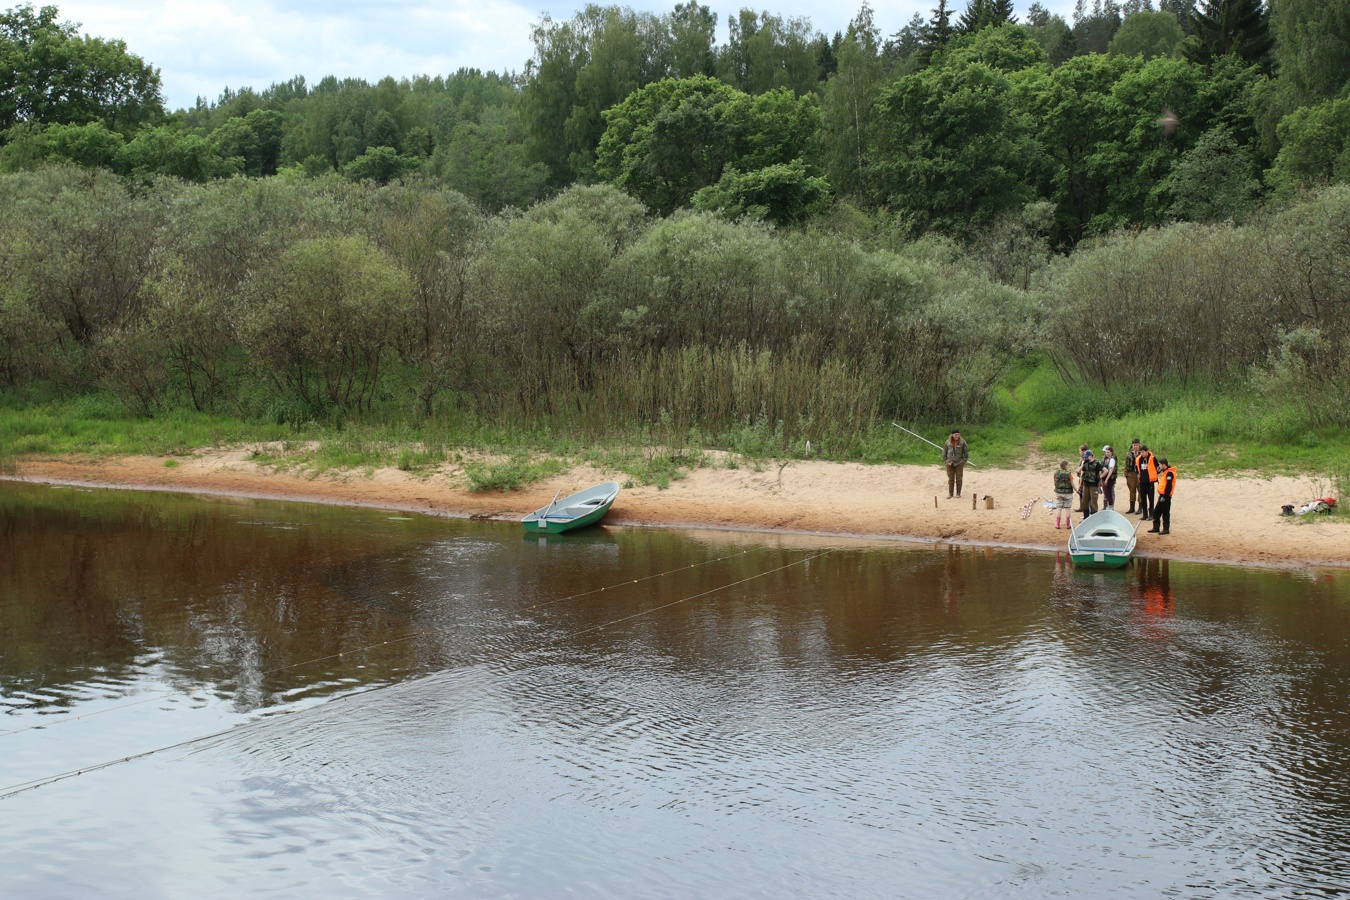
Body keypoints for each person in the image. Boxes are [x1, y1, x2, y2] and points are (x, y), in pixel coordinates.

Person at [1149, 457, 1177, 534]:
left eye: (1160, 465)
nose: (1159, 466)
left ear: (1164, 465)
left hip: (1166, 496)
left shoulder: (1169, 473)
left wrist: (1164, 496)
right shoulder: (1165, 472)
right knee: (1156, 512)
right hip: (1162, 495)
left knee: (1165, 512)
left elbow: (1169, 486)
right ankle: (1156, 527)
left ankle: (1166, 529)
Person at [942, 429, 969, 498]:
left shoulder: (962, 442)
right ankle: (950, 494)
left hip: (959, 463)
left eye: (958, 434)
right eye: (955, 434)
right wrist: (945, 460)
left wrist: (963, 461)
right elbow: (944, 451)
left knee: (959, 479)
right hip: (950, 463)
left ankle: (958, 493)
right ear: (952, 435)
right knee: (950, 479)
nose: (957, 436)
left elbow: (966, 452)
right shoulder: (947, 442)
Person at [1076, 449, 1103, 516]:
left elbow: (1105, 470)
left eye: (1087, 457)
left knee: (1093, 501)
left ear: (1091, 456)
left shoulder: (1096, 463)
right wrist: (1083, 464)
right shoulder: (1085, 463)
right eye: (1085, 457)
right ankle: (1086, 517)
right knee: (1085, 501)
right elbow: (1079, 471)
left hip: (1094, 485)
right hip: (1086, 484)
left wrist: (1100, 478)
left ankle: (1094, 517)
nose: (1086, 458)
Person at [1136, 444, 1157, 521]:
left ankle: (1151, 514)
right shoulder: (1138, 459)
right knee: (1143, 499)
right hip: (1142, 482)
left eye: (1143, 452)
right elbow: (1136, 469)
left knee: (1151, 499)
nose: (1142, 454)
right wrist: (1138, 476)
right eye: (1141, 452)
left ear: (1147, 452)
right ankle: (1145, 514)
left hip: (1150, 482)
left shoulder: (1152, 458)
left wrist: (1154, 474)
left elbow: (1158, 467)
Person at [1053, 460, 1075, 530]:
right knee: (1067, 508)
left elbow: (1055, 482)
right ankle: (1068, 525)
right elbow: (1072, 483)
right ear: (1065, 466)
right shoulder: (1069, 474)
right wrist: (1077, 490)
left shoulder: (1056, 473)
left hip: (1058, 492)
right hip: (1068, 493)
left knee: (1059, 508)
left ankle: (1057, 524)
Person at [1124, 439, 1142, 514]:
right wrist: (1126, 474)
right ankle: (1132, 508)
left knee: (1140, 491)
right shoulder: (1128, 454)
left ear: (1139, 445)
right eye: (1134, 445)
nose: (1135, 447)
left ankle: (1140, 508)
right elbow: (1126, 464)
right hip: (1131, 474)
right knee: (1132, 491)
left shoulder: (1142, 453)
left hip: (1139, 474)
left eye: (1137, 445)